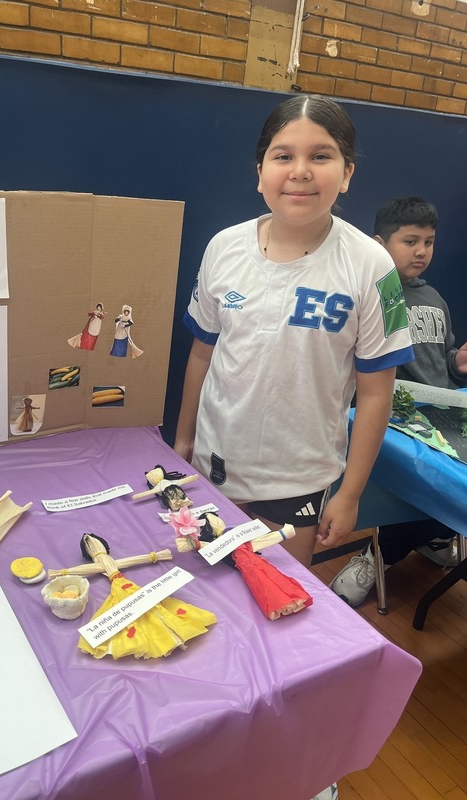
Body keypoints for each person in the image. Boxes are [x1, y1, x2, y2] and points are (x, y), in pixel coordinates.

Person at [173, 93, 414, 574]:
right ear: (260, 171)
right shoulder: (223, 247)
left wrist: (350, 494)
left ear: (346, 173)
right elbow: (203, 353)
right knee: (208, 588)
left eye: (320, 156)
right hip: (213, 461)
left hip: (297, 479)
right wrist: (182, 441)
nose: (300, 171)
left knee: (274, 596)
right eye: (283, 156)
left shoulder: (373, 266)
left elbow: (375, 394)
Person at [330, 197, 467, 607]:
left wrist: (457, 364)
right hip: (392, 421)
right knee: (413, 484)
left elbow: (440, 359)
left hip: (441, 415)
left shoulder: (435, 298)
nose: (421, 251)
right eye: (410, 241)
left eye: (428, 242)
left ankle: (434, 534)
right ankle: (380, 555)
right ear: (379, 244)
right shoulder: (371, 295)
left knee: (455, 485)